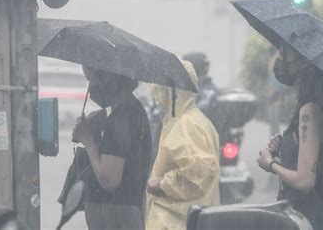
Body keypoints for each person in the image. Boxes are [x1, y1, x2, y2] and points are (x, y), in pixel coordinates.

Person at [256, 45, 323, 230]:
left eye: (284, 52)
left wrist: (271, 164)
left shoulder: (309, 111)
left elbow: (305, 181)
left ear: (304, 61)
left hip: (310, 218)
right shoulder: (317, 104)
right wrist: (287, 145)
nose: (279, 57)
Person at [72, 67, 152, 230]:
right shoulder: (131, 112)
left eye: (90, 79)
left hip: (116, 218)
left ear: (106, 79)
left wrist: (88, 140)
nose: (90, 87)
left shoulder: (120, 120)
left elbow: (109, 180)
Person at [145, 61, 220, 230]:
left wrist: (162, 184)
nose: (157, 95)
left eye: (160, 88)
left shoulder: (188, 124)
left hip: (177, 222)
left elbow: (200, 172)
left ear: (173, 90)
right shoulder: (187, 120)